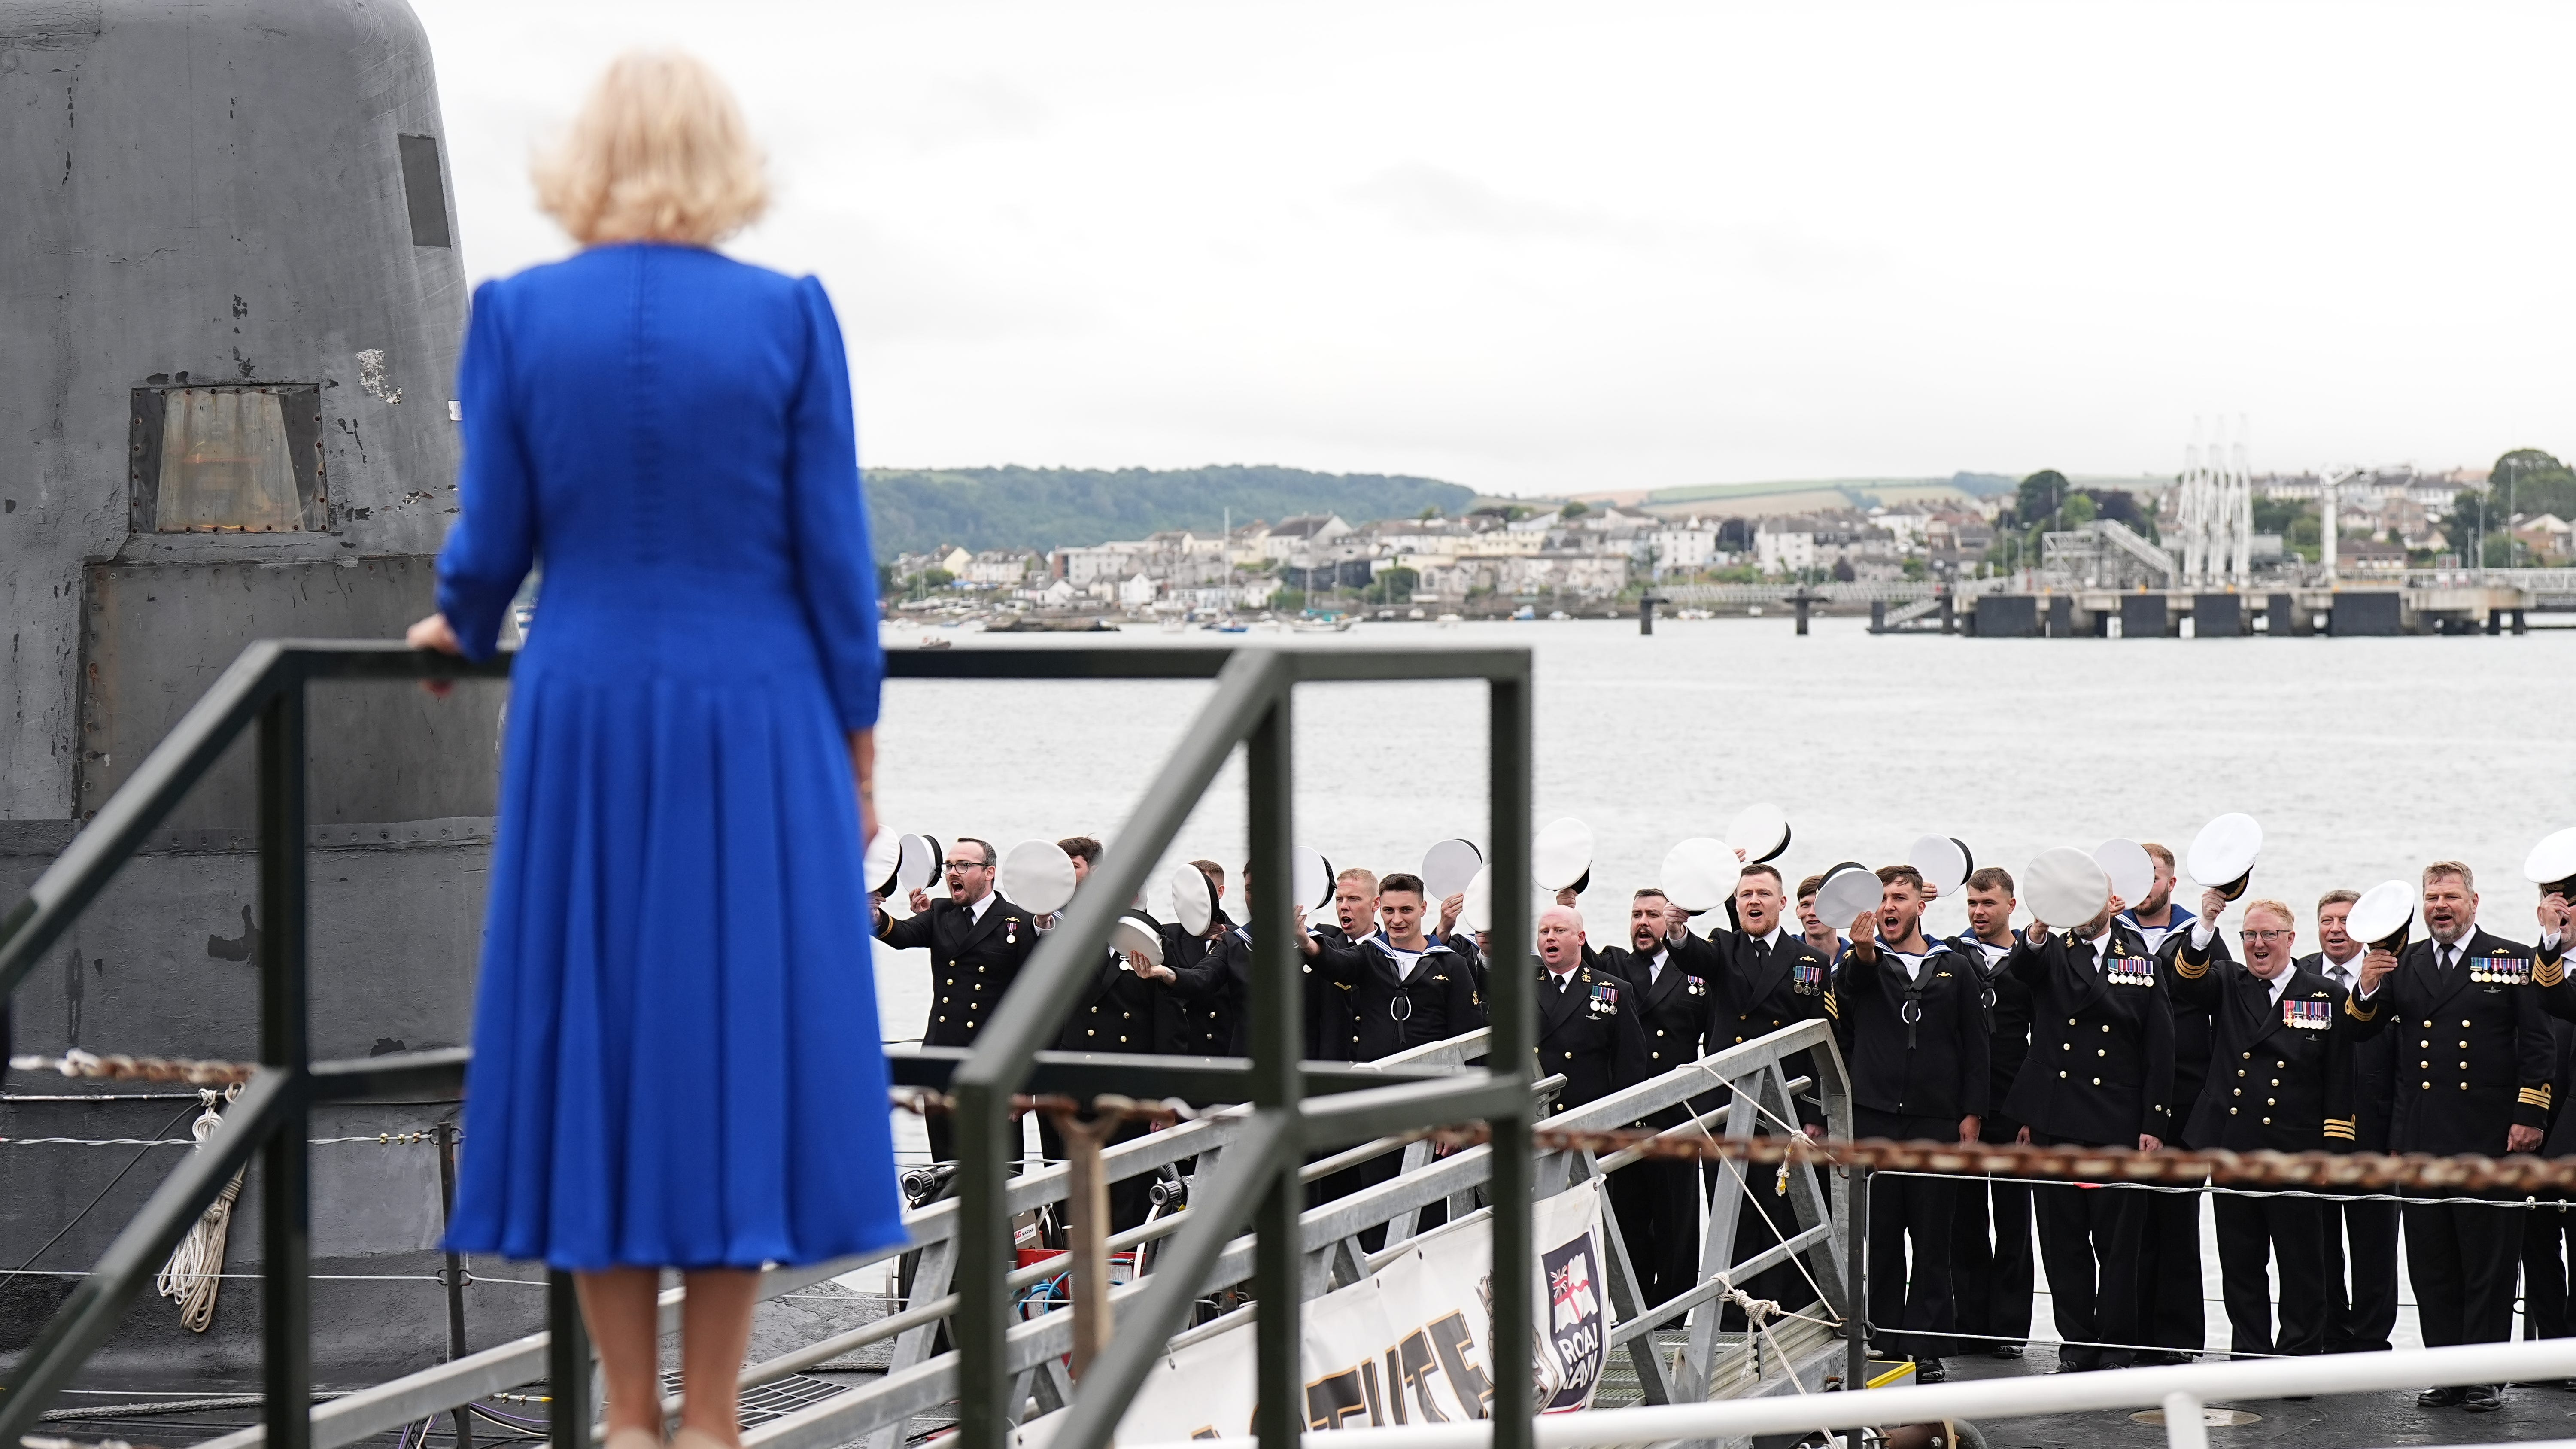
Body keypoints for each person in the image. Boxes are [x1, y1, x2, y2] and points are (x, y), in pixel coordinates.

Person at [412, 52, 903, 1449]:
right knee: (733, 1034)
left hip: (585, 707)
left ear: (588, 156)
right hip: (756, 714)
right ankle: (715, 1416)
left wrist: (456, 620)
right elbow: (834, 559)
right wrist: (860, 748)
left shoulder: (516, 314)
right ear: (721, 157)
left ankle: (626, 1416)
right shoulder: (791, 314)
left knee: (597, 1039)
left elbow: (495, 538)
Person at [2346, 861, 2555, 1413]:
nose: (2441, 907)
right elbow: (2363, 1031)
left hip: (2490, 1137)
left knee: (2488, 1261)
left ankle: (2485, 1376)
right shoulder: (2405, 962)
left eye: (2451, 897)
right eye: (2433, 898)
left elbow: (2539, 1046)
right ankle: (2445, 1372)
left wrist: (2530, 1116)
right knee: (2431, 1262)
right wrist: (2366, 987)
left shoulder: (2510, 959)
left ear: (2474, 902)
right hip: (2422, 1138)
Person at [2171, 893, 2353, 1359]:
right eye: (2250, 935)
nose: (2258, 944)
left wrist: (2332, 1152)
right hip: (2233, 1147)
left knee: (2302, 1266)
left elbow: (2339, 1078)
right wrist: (2206, 922)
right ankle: (2249, 1358)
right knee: (2241, 1265)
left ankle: (2298, 1359)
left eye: (2268, 934)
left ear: (2290, 939)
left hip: (2296, 1150)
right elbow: (2186, 980)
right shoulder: (2228, 982)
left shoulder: (2324, 994)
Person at [2004, 893, 2174, 1372]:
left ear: (2111, 905)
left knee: (2118, 1244)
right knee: (2063, 1241)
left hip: (2116, 1123)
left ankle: (2117, 1346)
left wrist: (2154, 1123)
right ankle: (2077, 1346)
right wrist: (2037, 930)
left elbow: (2159, 1047)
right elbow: (2021, 972)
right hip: (2056, 1120)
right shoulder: (2050, 951)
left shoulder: (2140, 961)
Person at [1833, 866, 1986, 1381]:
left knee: (1932, 1236)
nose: (1889, 907)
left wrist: (1972, 1114)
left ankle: (1926, 1346)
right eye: (1881, 898)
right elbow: (1849, 993)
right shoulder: (1863, 961)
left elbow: (1975, 1043)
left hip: (1935, 1119)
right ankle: (1883, 1341)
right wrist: (1864, 952)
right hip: (1875, 1118)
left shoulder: (1954, 965)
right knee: (1881, 1235)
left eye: (1899, 897)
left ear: (1921, 905)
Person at [874, 834, 1042, 1155]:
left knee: (999, 1164)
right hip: (940, 1058)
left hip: (993, 1063)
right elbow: (903, 934)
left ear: (989, 872)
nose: (953, 872)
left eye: (964, 865)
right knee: (945, 1162)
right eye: (949, 865)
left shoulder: (1018, 921)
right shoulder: (940, 912)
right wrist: (877, 918)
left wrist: (1023, 1082)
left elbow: (1033, 1004)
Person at [1595, 889, 1715, 1307]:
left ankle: (1674, 1316)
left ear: (1670, 921)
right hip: (1625, 1115)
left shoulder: (1695, 972)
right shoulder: (1614, 966)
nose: (1642, 923)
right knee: (1627, 1220)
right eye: (1636, 915)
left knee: (1676, 1224)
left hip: (1675, 1115)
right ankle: (1632, 1314)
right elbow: (1574, 965)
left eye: (1652, 914)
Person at [2300, 888, 2401, 1355]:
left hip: (2374, 1133)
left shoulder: (2391, 976)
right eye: (2327, 920)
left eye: (2345, 920)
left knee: (2374, 1245)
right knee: (2317, 1244)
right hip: (2314, 1133)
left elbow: (2406, 1063)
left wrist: (2399, 1134)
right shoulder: (2297, 973)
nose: (2335, 929)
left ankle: (2371, 1342)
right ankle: (2330, 1333)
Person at [2125, 843, 2210, 1364]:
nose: (2144, 884)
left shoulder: (2198, 936)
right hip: (2125, 1101)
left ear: (2172, 884)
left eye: (2153, 875)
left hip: (2184, 1101)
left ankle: (2176, 1339)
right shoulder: (2113, 936)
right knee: (2129, 1225)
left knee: (2177, 1224)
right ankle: (2128, 1334)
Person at [1949, 866, 2036, 1359]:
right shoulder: (1954, 956)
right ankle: (1969, 1324)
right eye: (1972, 904)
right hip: (1966, 1107)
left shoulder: (2029, 962)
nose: (1979, 913)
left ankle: (2008, 1328)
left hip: (2013, 1106)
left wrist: (2030, 1114)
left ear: (2011, 906)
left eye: (1988, 904)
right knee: (1963, 1220)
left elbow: (2045, 1041)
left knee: (2013, 1221)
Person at [1535, 905, 1652, 1111]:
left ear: (1581, 938)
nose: (1550, 937)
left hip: (1587, 1114)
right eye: (1544, 932)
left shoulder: (1615, 990)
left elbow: (1630, 1063)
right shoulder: (1521, 986)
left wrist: (1619, 1117)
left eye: (1560, 930)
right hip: (1534, 1112)